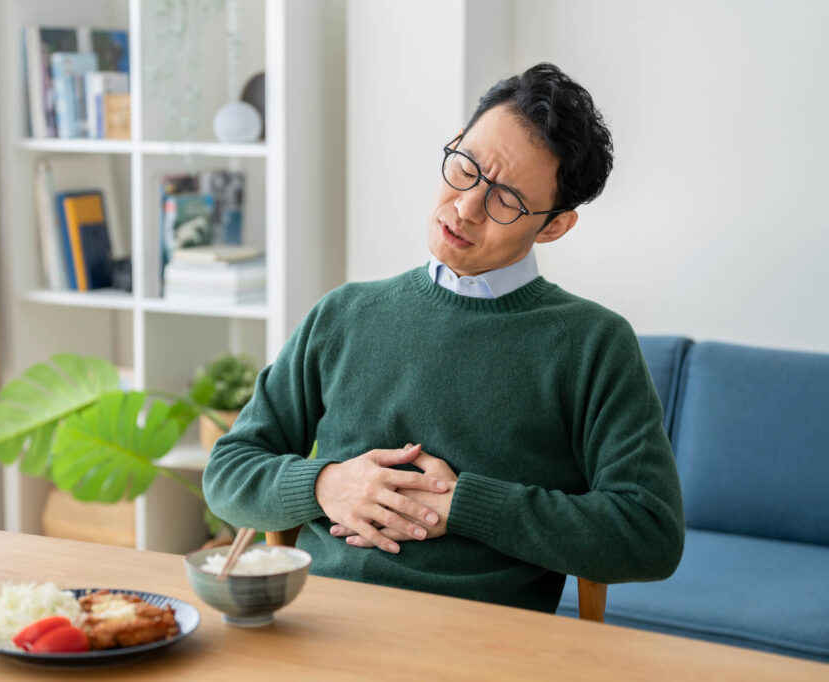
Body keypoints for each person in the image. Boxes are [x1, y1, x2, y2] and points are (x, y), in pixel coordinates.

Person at [202, 63, 684, 613]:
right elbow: (228, 472)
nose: (466, 207)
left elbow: (649, 534)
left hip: (481, 639)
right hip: (322, 623)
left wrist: (464, 506)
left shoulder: (592, 344)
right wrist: (325, 485)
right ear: (455, 144)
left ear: (553, 225)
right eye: (466, 168)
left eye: (506, 199)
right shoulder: (344, 314)